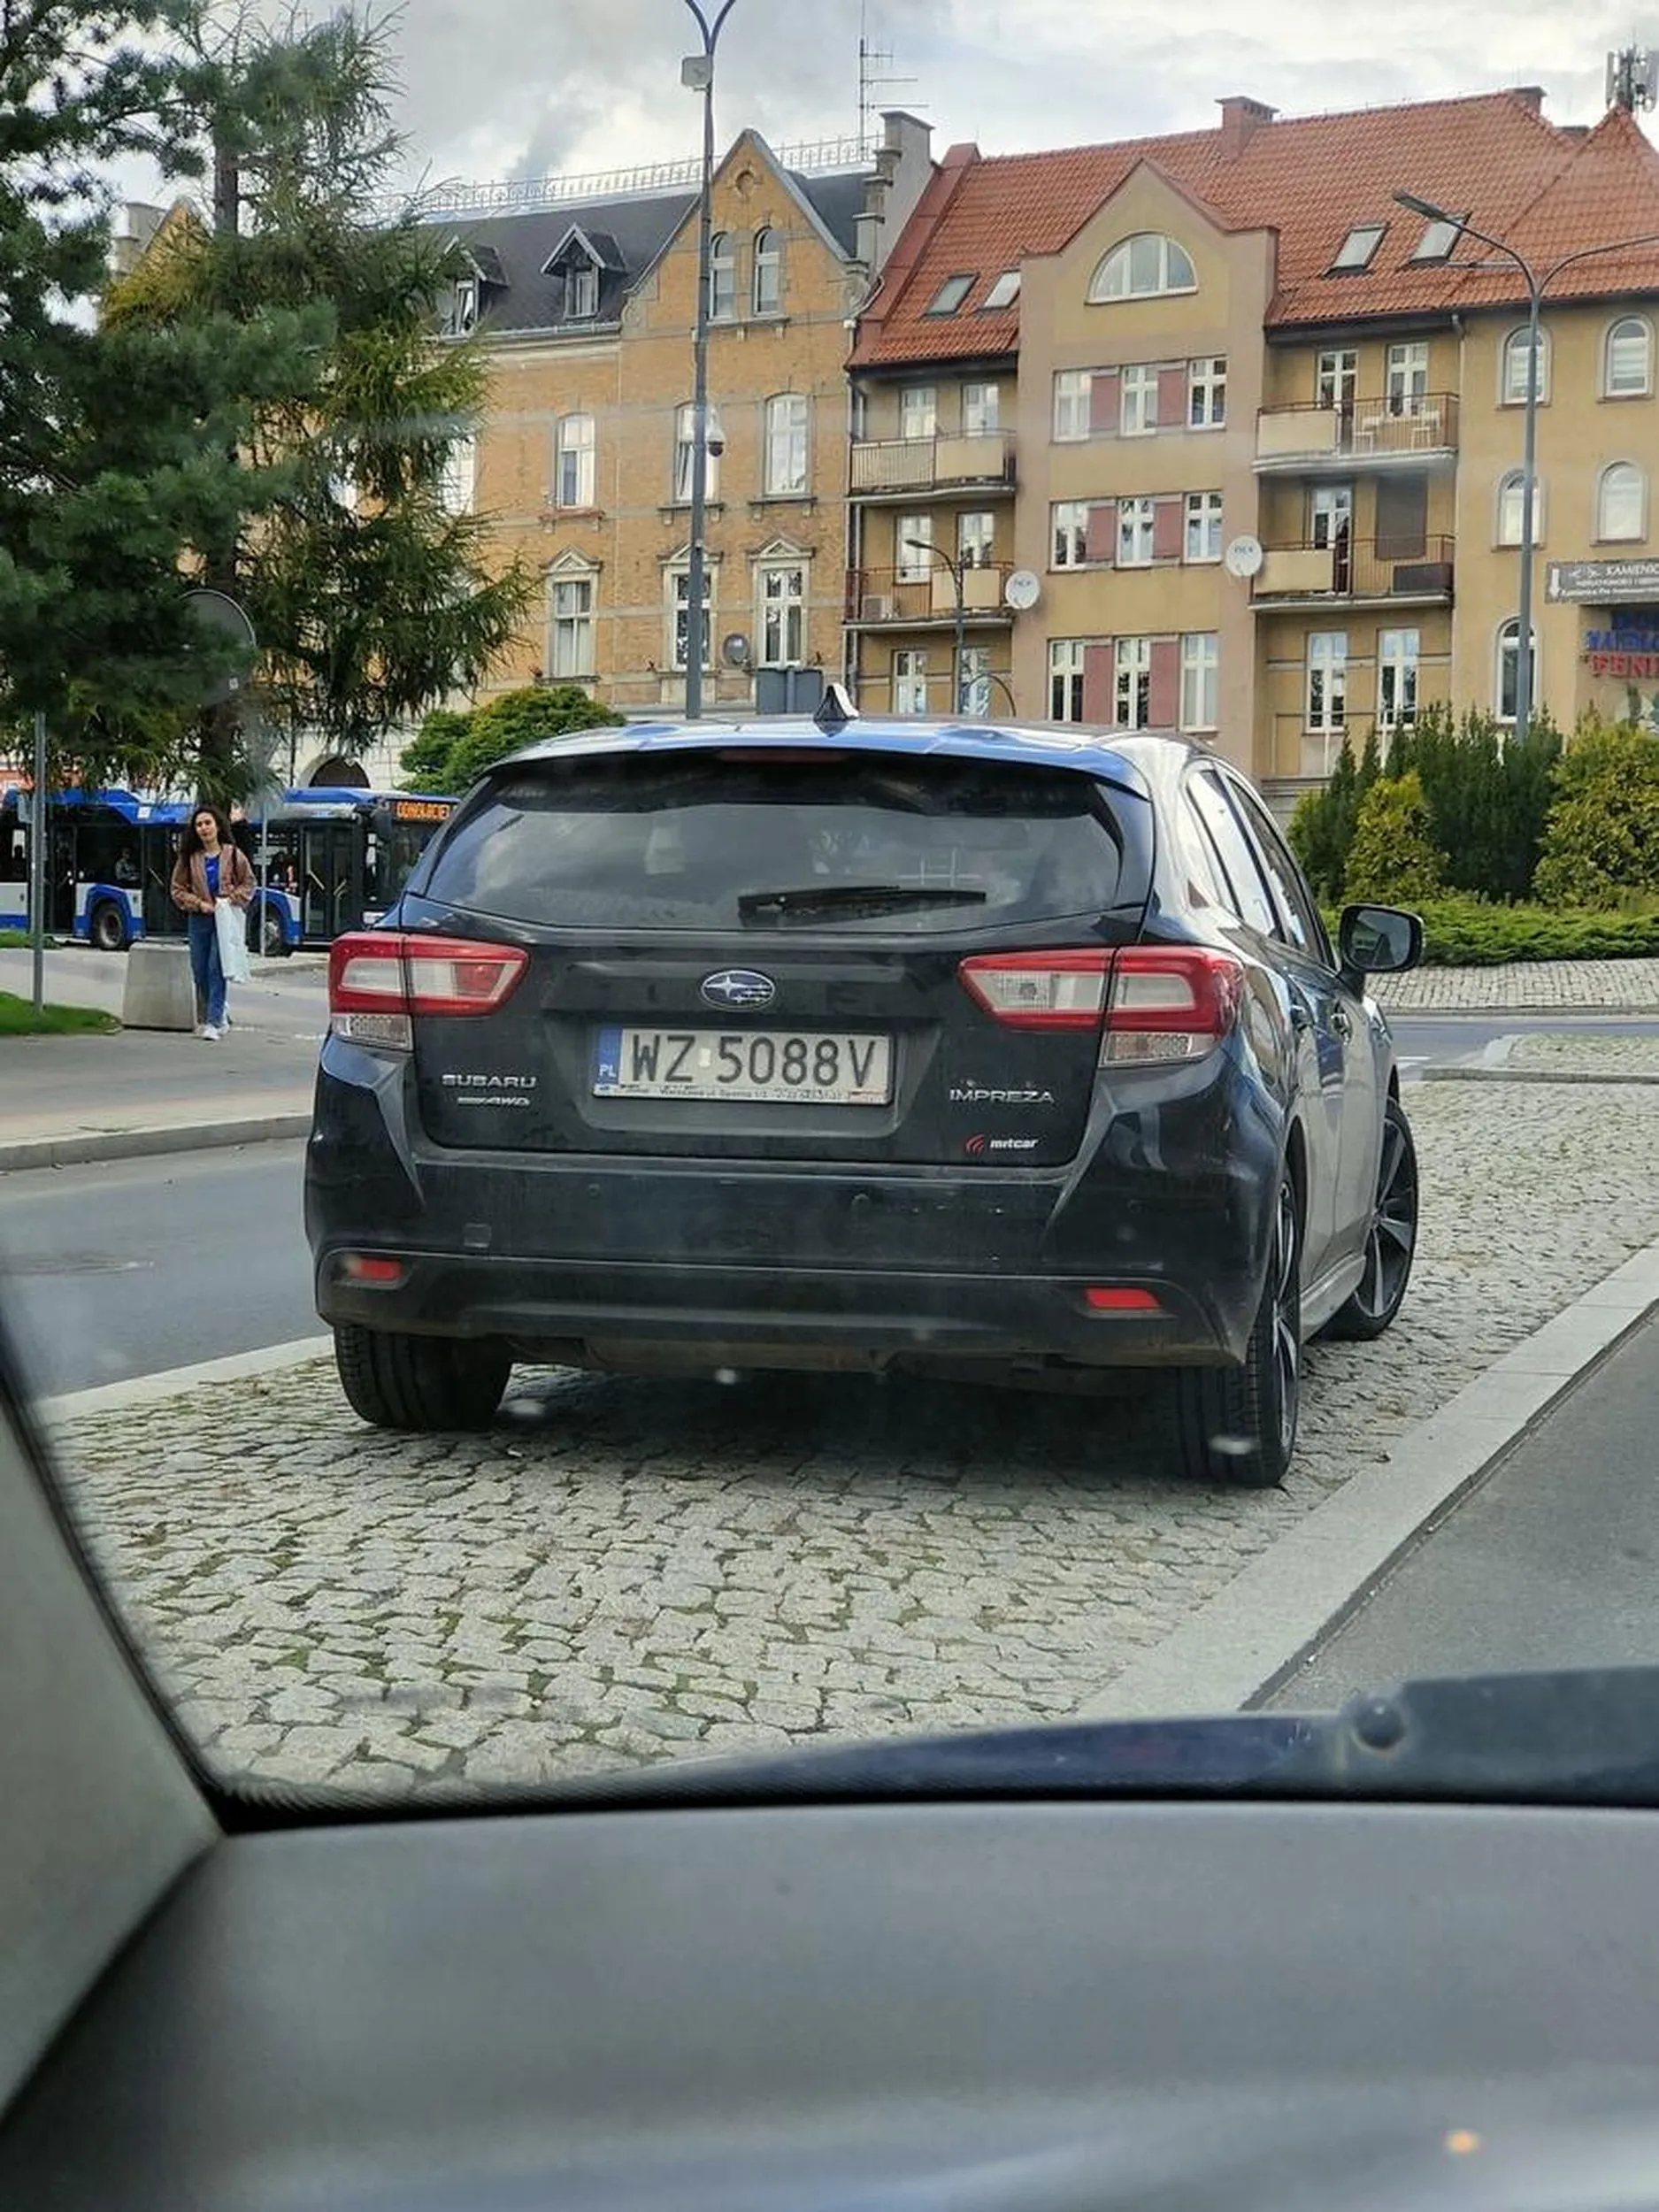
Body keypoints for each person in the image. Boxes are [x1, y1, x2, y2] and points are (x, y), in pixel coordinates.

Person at [170, 805, 253, 1041]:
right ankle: (219, 1009)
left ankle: (213, 1022)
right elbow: (177, 890)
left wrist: (230, 899)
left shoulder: (233, 854)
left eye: (208, 823)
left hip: (224, 918)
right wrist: (198, 904)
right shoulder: (189, 858)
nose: (204, 828)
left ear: (217, 826)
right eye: (199, 825)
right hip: (199, 919)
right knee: (199, 969)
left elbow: (248, 884)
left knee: (217, 967)